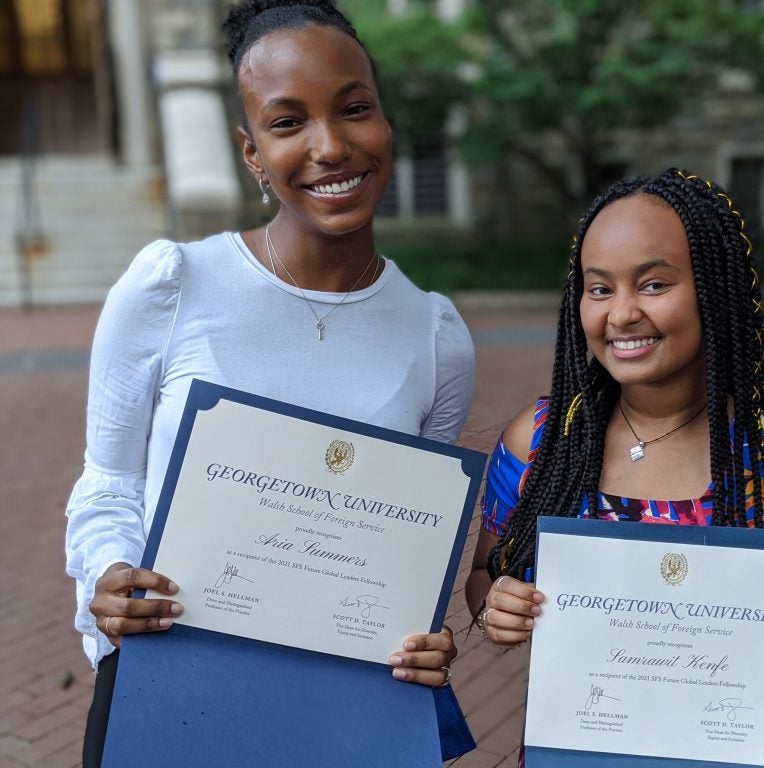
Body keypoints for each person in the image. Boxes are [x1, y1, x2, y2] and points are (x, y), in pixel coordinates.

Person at [64, 2, 475, 765]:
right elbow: (109, 480)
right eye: (288, 124)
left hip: (350, 714)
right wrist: (111, 572)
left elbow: (405, 554)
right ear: (251, 153)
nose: (330, 146)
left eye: (355, 109)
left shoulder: (434, 334)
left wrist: (423, 638)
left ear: (385, 122)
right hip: (173, 690)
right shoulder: (173, 286)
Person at [465, 169, 764, 768]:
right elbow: (487, 579)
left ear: (714, 291)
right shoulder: (544, 444)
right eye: (599, 289)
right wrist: (498, 608)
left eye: (652, 285)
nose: (621, 314)